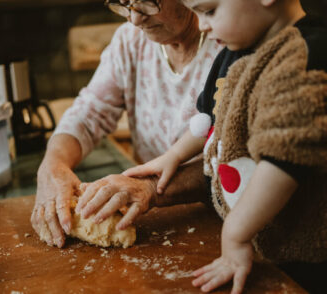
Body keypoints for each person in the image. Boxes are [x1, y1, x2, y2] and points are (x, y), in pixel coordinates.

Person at [110, 0, 327, 293]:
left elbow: (283, 160)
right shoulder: (234, 51)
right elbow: (209, 118)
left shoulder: (304, 55)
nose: (201, 25)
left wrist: (236, 235)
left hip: (306, 255)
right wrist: (173, 155)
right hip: (261, 241)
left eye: (210, 10)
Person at [30, 0, 222, 248]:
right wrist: (52, 163)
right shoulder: (130, 41)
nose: (134, 19)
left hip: (235, 221)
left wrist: (152, 188)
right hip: (159, 219)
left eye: (146, 2)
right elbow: (89, 113)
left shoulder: (232, 37)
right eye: (122, 3)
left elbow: (235, 154)